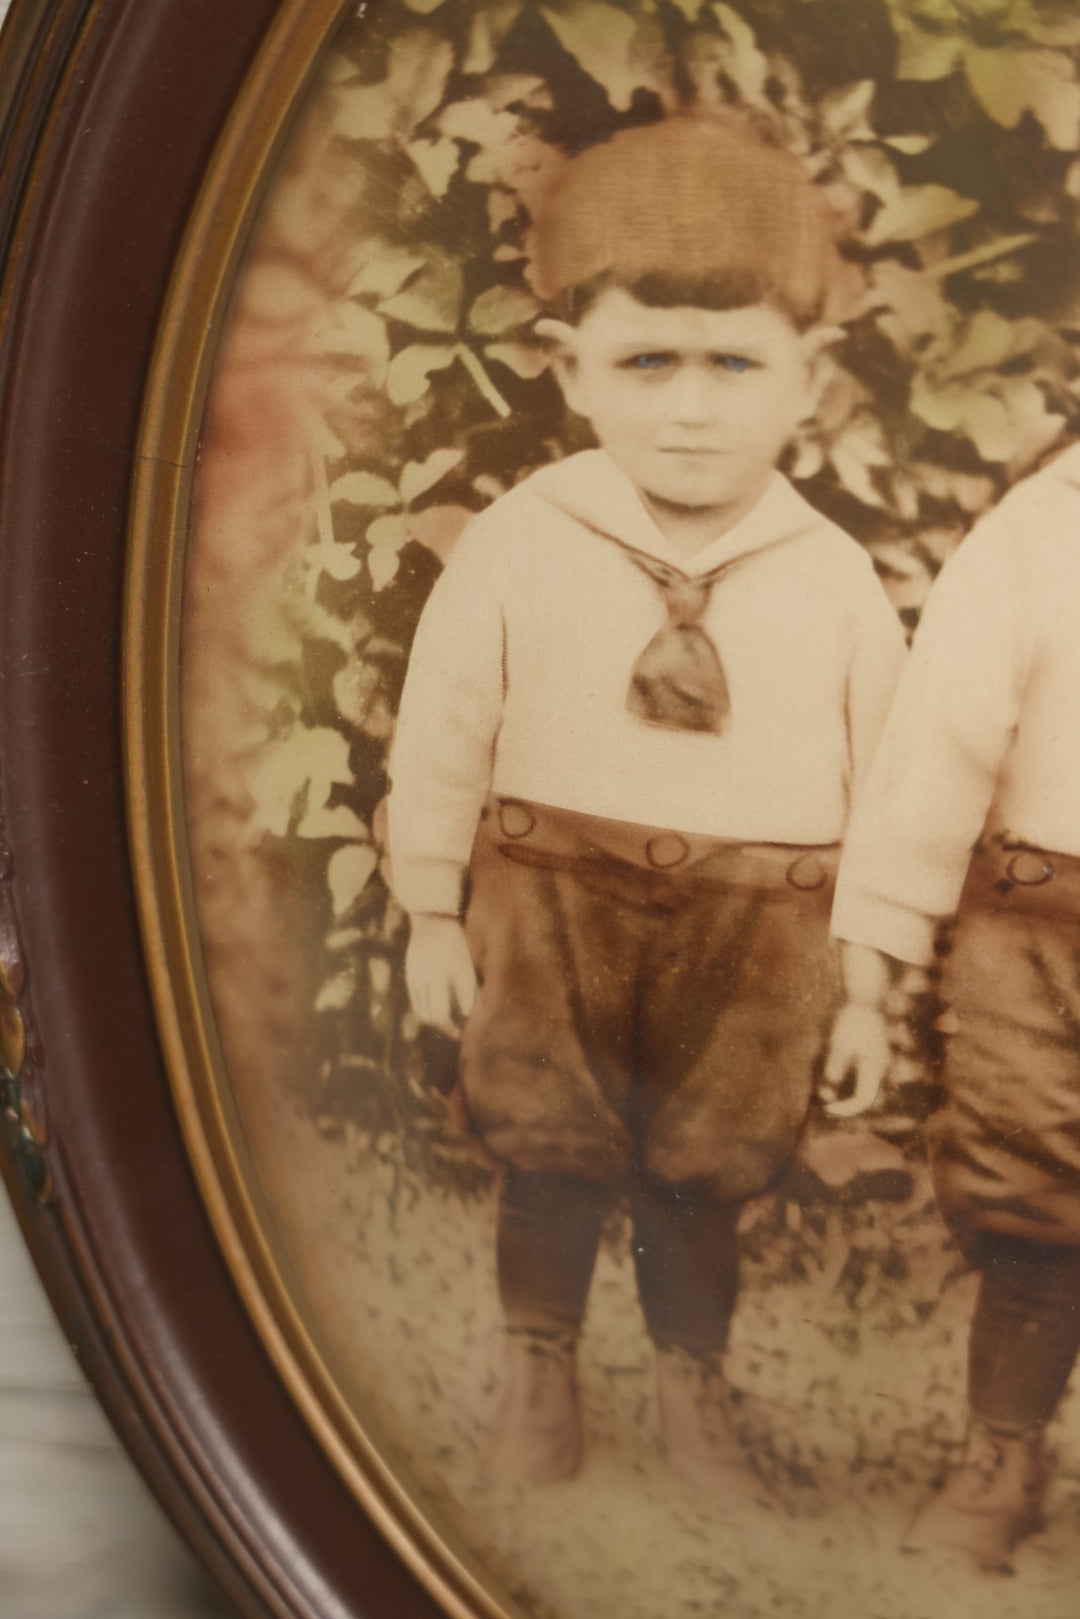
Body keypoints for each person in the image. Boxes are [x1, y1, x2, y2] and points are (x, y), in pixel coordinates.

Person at [387, 115, 906, 1499]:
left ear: (811, 380)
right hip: (553, 893)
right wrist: (432, 905)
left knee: (707, 1165)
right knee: (549, 1141)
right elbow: (441, 728)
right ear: (572, 372)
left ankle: (693, 1394)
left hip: (761, 922)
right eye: (647, 363)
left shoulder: (832, 577)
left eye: (735, 364)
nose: (691, 408)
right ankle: (537, 1370)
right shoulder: (526, 540)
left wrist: (865, 987)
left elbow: (893, 790)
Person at [831, 442, 1080, 1569]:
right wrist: (875, 965)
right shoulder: (1037, 530)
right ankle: (1003, 1453)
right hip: (1038, 922)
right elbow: (935, 751)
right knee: (1026, 1185)